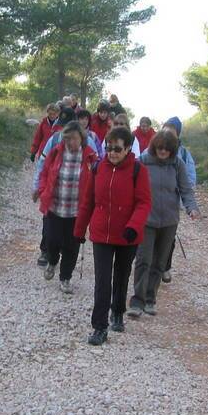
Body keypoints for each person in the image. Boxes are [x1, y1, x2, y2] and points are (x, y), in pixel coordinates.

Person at [74, 126, 152, 346]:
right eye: (109, 148)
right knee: (102, 281)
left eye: (117, 148)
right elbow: (88, 201)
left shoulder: (139, 171)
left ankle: (117, 312)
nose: (112, 153)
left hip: (127, 235)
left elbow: (144, 202)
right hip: (101, 234)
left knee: (121, 276)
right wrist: (79, 230)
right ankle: (99, 327)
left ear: (128, 148)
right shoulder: (98, 168)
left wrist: (133, 226)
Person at [127, 129, 199, 318]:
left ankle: (150, 299)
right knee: (144, 259)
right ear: (154, 146)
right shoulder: (142, 162)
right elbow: (131, 188)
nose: (163, 152)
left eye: (167, 149)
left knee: (159, 262)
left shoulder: (177, 164)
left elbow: (186, 190)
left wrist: (191, 208)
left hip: (169, 221)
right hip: (147, 220)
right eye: (160, 148)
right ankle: (137, 300)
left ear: (172, 150)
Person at [33, 121, 98, 294]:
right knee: (52, 240)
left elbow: (97, 182)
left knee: (72, 245)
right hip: (55, 207)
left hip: (77, 211)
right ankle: (53, 261)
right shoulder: (56, 152)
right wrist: (41, 190)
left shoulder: (91, 157)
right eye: (67, 138)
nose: (70, 142)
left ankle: (65, 278)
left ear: (81, 138)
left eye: (74, 138)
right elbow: (44, 172)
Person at [35, 107, 76, 265]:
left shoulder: (87, 142)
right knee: (49, 226)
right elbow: (42, 164)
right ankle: (46, 252)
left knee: (68, 232)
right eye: (62, 124)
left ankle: (64, 263)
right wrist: (38, 187)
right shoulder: (55, 139)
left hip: (73, 199)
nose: (64, 129)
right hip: (52, 192)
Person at [159, 116, 197, 283]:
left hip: (171, 205)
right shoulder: (151, 150)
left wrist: (186, 201)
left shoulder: (184, 155)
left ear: (177, 135)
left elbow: (190, 178)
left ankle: (165, 267)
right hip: (151, 203)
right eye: (165, 130)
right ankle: (151, 269)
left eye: (172, 132)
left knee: (169, 239)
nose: (167, 135)